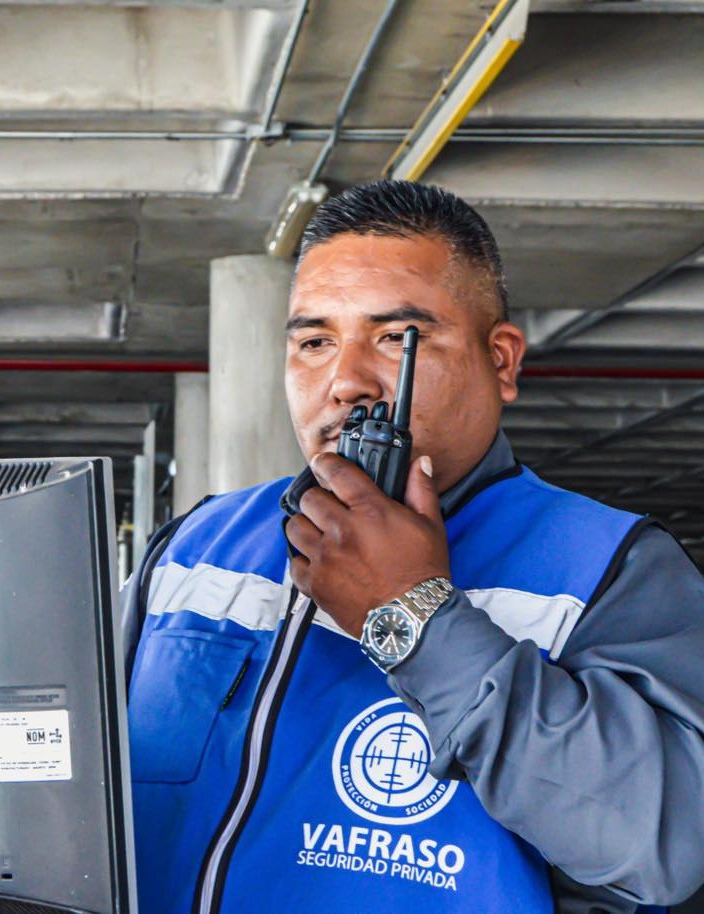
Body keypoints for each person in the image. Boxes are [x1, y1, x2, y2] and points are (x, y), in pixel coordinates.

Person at [122, 180, 704, 914]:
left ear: (501, 361)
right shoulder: (197, 547)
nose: (344, 383)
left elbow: (665, 847)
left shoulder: (609, 567)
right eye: (313, 342)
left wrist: (413, 617)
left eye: (397, 339)